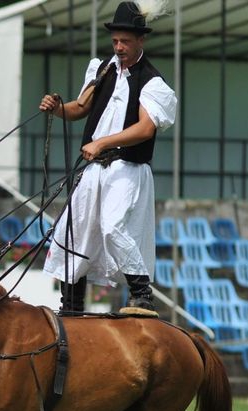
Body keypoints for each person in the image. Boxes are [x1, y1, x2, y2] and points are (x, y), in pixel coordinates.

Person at [39, 1, 177, 316]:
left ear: (141, 40)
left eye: (125, 41)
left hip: (128, 167)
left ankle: (142, 295)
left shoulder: (153, 83)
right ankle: (70, 307)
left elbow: (144, 129)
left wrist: (101, 143)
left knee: (113, 226)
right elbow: (79, 108)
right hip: (95, 167)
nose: (119, 47)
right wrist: (57, 107)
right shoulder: (102, 70)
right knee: (74, 230)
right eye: (115, 40)